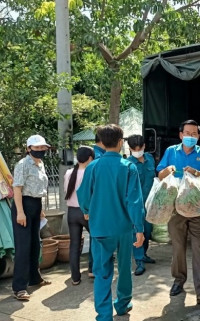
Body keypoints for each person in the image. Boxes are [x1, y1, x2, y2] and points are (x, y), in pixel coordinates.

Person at [77, 124, 145, 320]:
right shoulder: (128, 166)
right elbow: (134, 201)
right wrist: (139, 228)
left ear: (101, 143)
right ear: (120, 142)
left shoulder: (93, 167)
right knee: (124, 268)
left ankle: (104, 315)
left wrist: (88, 211)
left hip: (99, 228)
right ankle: (122, 304)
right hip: (124, 228)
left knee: (102, 272)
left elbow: (83, 195)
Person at [157, 119, 200, 304]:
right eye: (187, 133)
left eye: (194, 134)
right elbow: (159, 175)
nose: (190, 137)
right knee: (178, 247)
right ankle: (178, 280)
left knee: (198, 247)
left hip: (197, 207)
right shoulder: (171, 151)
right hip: (176, 208)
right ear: (181, 135)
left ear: (198, 136)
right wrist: (168, 170)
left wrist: (196, 172)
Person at [11, 134, 52, 301]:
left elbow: (39, 188)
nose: (41, 150)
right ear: (29, 149)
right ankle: (19, 287)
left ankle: (35, 277)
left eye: (43, 148)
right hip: (24, 205)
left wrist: (40, 209)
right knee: (23, 246)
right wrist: (20, 212)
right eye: (37, 148)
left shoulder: (41, 164)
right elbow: (17, 190)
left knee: (36, 243)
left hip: (36, 204)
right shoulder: (22, 165)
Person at [64, 146, 95, 285]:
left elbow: (67, 190)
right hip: (86, 212)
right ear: (90, 158)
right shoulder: (90, 172)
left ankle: (75, 277)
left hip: (72, 212)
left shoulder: (69, 173)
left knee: (74, 245)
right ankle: (92, 269)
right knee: (95, 239)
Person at [126, 134, 156, 276]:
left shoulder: (150, 159)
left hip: (150, 203)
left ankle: (144, 254)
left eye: (140, 148)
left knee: (147, 231)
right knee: (137, 232)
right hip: (135, 205)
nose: (137, 151)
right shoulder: (127, 164)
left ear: (144, 146)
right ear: (130, 149)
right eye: (134, 149)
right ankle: (139, 261)